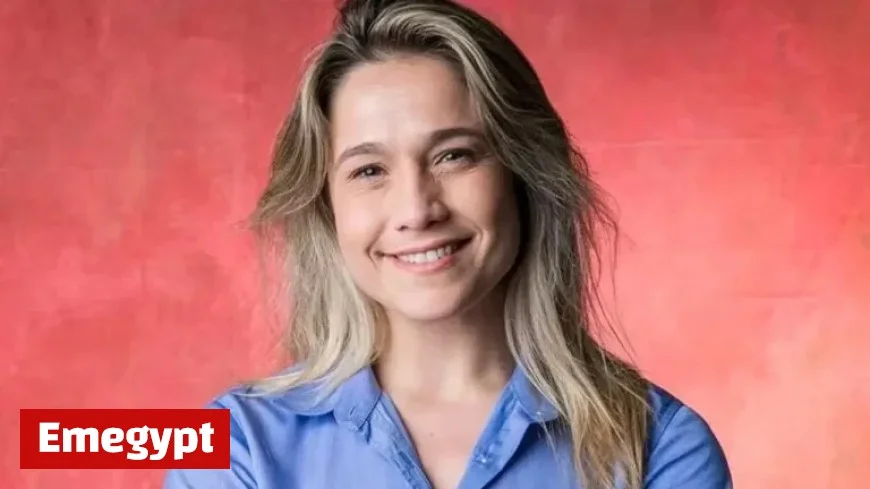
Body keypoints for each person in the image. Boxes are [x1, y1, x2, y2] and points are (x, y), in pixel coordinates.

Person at [164, 0, 731, 487]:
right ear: (326, 207)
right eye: (368, 171)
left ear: (523, 174)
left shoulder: (660, 449)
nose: (415, 210)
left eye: (453, 155)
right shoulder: (236, 450)